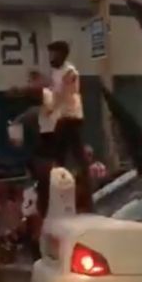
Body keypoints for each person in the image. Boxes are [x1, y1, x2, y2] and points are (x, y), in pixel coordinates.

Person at [40, 41, 90, 208]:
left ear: (62, 54)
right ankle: (60, 191)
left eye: (54, 53)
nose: (51, 57)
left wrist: (51, 108)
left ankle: (87, 192)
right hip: (62, 117)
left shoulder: (70, 72)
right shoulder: (56, 71)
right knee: (60, 154)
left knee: (76, 154)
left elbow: (63, 94)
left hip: (71, 116)